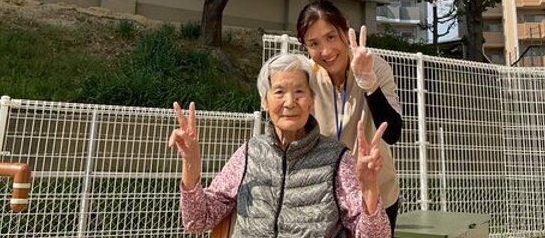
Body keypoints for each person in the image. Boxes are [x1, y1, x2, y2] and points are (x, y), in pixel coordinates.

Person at [168, 53, 392, 238]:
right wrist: (191, 165)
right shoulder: (249, 153)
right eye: (279, 92)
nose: (290, 102)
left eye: (299, 92)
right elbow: (197, 220)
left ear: (311, 101)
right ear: (264, 102)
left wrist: (369, 189)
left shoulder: (337, 158)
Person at [296, 0, 402, 234]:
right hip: (326, 198)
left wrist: (369, 83)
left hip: (376, 194)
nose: (326, 51)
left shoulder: (375, 67)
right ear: (305, 47)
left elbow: (393, 133)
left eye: (331, 37)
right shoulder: (306, 78)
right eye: (314, 43)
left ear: (345, 30)